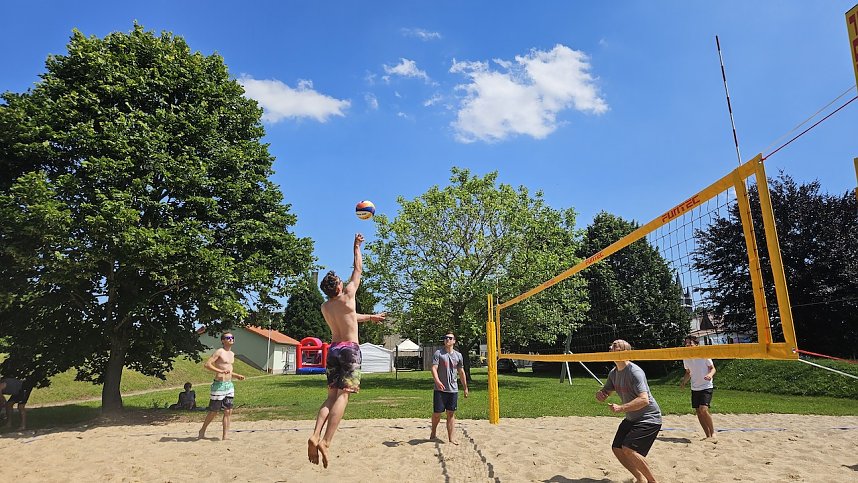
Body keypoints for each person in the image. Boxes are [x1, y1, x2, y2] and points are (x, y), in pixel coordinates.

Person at [307, 233, 386, 468]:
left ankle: (315, 434)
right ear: (339, 286)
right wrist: (356, 247)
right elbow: (358, 270)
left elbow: (349, 317)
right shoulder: (349, 294)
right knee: (344, 395)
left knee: (330, 396)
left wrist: (369, 317)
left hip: (333, 349)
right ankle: (326, 442)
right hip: (350, 350)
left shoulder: (325, 306)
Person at [595, 340, 662, 483]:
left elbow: (644, 400)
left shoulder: (635, 372)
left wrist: (621, 408)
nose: (610, 347)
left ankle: (652, 481)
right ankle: (640, 479)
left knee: (628, 449)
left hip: (649, 418)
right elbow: (606, 390)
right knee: (617, 448)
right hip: (632, 418)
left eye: (614, 346)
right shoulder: (614, 373)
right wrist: (601, 394)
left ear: (625, 352)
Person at [198, 332, 245, 440]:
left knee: (228, 411)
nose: (231, 339)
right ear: (223, 340)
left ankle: (225, 436)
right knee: (214, 411)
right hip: (218, 385)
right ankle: (202, 430)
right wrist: (220, 371)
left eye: (232, 337)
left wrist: (237, 375)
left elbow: (228, 370)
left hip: (229, 385)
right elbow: (207, 364)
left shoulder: (232, 354)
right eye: (228, 338)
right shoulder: (220, 351)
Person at [430, 332, 469, 445]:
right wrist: (437, 381)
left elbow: (461, 372)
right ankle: (433, 432)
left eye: (450, 338)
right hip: (440, 389)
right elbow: (433, 368)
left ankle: (451, 438)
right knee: (437, 413)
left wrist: (465, 388)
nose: (447, 339)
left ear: (454, 341)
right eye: (445, 338)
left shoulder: (458, 355)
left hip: (453, 389)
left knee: (451, 413)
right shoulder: (439, 353)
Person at [680, 335, 716, 438]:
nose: (687, 345)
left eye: (690, 343)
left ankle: (713, 433)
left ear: (696, 344)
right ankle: (707, 435)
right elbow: (688, 372)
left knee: (703, 409)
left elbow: (713, 368)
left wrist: (710, 375)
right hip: (695, 387)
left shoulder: (703, 354)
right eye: (686, 343)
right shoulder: (686, 358)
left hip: (706, 386)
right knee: (698, 412)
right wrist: (684, 382)